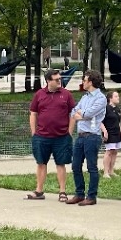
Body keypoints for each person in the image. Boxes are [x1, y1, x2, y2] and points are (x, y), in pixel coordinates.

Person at [27, 69, 76, 201]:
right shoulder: (39, 94)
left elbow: (73, 113)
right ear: (48, 81)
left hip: (61, 137)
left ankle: (62, 192)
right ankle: (39, 191)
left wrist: (69, 132)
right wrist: (34, 132)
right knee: (41, 163)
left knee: (61, 164)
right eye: (56, 79)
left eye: (60, 78)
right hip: (42, 137)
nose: (59, 81)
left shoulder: (66, 94)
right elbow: (33, 113)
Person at [65, 70, 107, 206]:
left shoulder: (101, 98)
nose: (83, 82)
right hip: (81, 136)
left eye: (85, 80)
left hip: (92, 136)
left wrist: (81, 114)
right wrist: (80, 114)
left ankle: (91, 196)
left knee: (91, 167)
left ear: (91, 82)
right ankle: (79, 193)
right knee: (76, 166)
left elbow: (89, 113)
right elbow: (74, 111)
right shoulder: (85, 97)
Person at [102, 90, 121, 178]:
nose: (118, 98)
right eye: (116, 96)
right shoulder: (106, 108)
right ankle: (105, 172)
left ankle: (111, 170)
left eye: (118, 96)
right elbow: (100, 121)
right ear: (110, 98)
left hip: (117, 132)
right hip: (109, 133)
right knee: (109, 151)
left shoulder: (117, 109)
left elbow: (118, 121)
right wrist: (104, 131)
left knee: (115, 151)